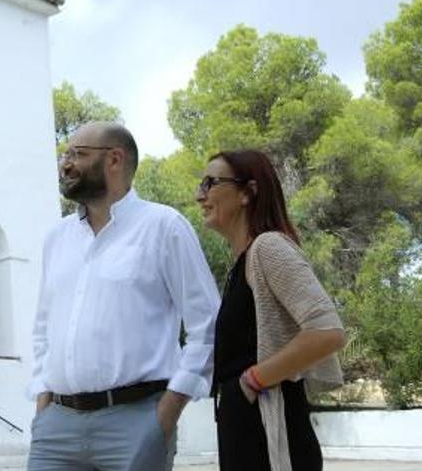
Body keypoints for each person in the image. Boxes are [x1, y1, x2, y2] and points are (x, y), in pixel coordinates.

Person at [27, 122, 220, 471]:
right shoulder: (56, 238)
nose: (66, 164)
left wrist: (167, 411)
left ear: (114, 159)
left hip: (137, 421)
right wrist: (43, 400)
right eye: (64, 155)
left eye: (78, 154)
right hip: (56, 427)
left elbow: (207, 323)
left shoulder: (164, 226)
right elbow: (43, 327)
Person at [196, 149, 345, 471]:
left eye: (211, 183)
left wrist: (250, 382)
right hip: (245, 430)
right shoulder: (240, 264)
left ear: (248, 192)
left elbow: (326, 331)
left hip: (272, 435)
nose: (200, 195)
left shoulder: (268, 247)